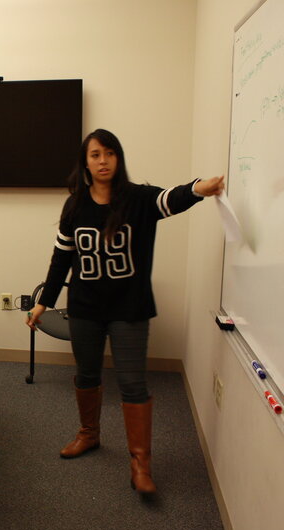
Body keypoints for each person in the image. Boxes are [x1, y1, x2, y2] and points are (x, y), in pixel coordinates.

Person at [26, 129, 224, 496]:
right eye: (96, 155)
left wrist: (199, 187)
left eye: (110, 154)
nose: (103, 161)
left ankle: (140, 463)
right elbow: (62, 260)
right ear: (85, 162)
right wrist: (43, 301)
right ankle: (89, 435)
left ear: (119, 158)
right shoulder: (75, 206)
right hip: (84, 309)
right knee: (87, 374)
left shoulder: (139, 199)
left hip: (129, 309)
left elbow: (174, 198)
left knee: (133, 383)